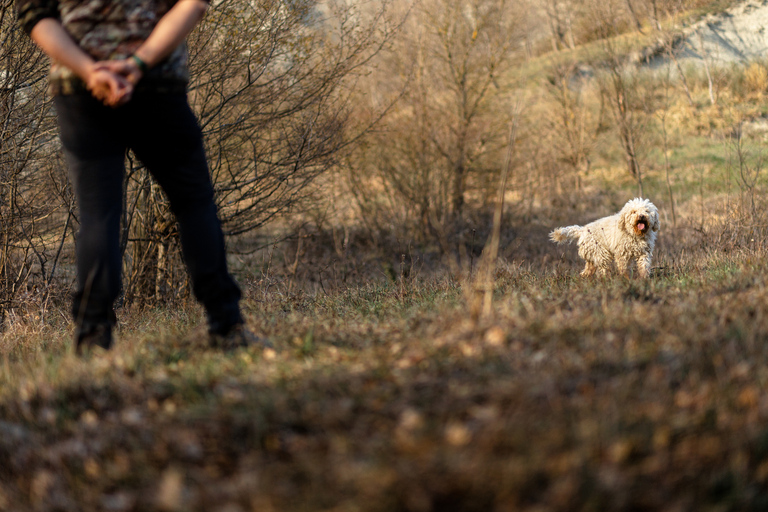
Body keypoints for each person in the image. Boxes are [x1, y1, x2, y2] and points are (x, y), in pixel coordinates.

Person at [16, 0, 266, 352]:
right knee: (194, 205)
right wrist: (138, 63)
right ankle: (227, 327)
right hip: (157, 83)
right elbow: (194, 4)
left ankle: (92, 337)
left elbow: (34, 14)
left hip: (80, 88)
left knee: (98, 213)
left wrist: (90, 71)